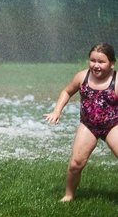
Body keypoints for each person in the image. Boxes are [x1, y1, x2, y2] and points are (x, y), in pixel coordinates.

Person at [43, 43, 118, 202]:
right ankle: (69, 195)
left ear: (112, 63)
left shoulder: (116, 81)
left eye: (101, 62)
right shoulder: (82, 77)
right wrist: (57, 111)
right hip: (88, 125)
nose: (96, 65)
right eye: (93, 60)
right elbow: (67, 91)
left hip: (113, 125)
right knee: (76, 163)